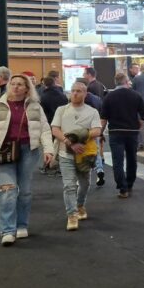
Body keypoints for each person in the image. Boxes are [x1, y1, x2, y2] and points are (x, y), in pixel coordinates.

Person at [0, 74, 55, 246]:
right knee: (7, 190)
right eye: (13, 84)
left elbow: (44, 130)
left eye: (20, 84)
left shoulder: (35, 107)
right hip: (4, 151)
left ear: (27, 88)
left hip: (29, 151)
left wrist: (49, 149)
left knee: (25, 191)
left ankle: (22, 225)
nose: (16, 87)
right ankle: (7, 230)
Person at [51, 81, 103, 231]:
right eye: (72, 91)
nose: (74, 93)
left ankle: (80, 205)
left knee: (85, 184)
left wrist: (81, 136)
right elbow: (55, 129)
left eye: (78, 91)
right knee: (69, 185)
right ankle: (72, 214)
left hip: (84, 155)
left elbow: (97, 130)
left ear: (85, 94)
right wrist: (69, 142)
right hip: (65, 153)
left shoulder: (92, 111)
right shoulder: (61, 110)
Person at [100, 72, 144, 198]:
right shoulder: (136, 95)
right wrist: (138, 125)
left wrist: (100, 133)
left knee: (118, 161)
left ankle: (123, 188)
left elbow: (103, 119)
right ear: (126, 81)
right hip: (132, 133)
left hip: (115, 133)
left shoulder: (109, 97)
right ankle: (130, 183)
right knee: (132, 158)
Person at [77, 78, 106, 187]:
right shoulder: (97, 99)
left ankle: (81, 178)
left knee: (80, 151)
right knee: (96, 151)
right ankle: (99, 171)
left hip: (81, 129)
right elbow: (102, 115)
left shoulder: (77, 99)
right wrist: (101, 131)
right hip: (95, 127)